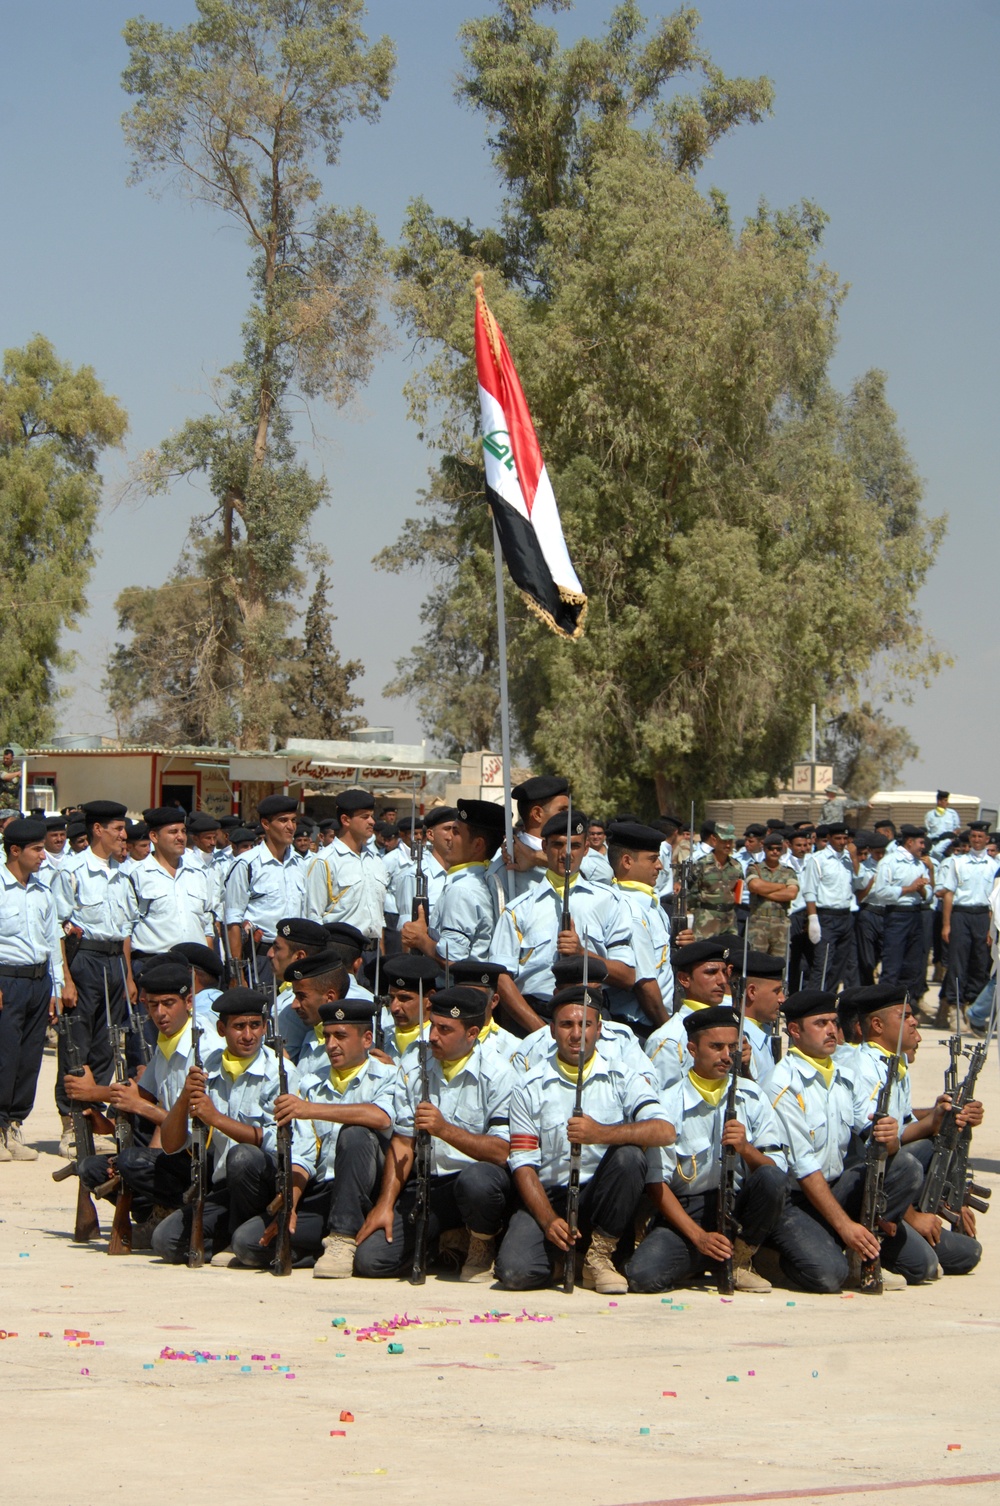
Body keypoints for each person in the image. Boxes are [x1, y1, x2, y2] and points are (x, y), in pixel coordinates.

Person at [496, 984, 675, 1294]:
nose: (577, 1034)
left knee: (630, 1156)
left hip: (601, 1197)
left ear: (599, 1029)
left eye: (585, 1024)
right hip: (551, 1195)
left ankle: (599, 1256)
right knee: (514, 1273)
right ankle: (562, 1262)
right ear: (552, 1030)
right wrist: (549, 1220)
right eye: (567, 1024)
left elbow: (664, 1130)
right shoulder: (529, 1086)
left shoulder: (622, 1077)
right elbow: (523, 1163)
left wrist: (601, 1134)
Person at [765, 989, 922, 1292]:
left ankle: (862, 1250)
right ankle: (775, 1256)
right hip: (795, 1198)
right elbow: (805, 1168)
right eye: (820, 1023)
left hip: (835, 1186)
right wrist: (845, 1226)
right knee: (828, 1276)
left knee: (906, 1167)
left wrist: (889, 1139)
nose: (831, 1031)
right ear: (794, 1031)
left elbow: (867, 1138)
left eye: (833, 1023)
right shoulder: (783, 1085)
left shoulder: (841, 1075)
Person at [355, 987, 515, 1282]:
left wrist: (444, 1130)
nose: (432, 1037)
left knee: (477, 1181)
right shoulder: (415, 1068)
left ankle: (481, 1240)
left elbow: (502, 1151)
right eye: (432, 1026)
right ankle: (443, 1243)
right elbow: (403, 1142)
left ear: (472, 1033)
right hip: (427, 1184)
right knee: (371, 1260)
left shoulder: (500, 1074)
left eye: (445, 1029)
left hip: (473, 1183)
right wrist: (385, 1205)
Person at [627, 1004, 787, 1293]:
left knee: (771, 1179)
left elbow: (777, 1171)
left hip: (738, 1205)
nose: (727, 1056)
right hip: (689, 1211)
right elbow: (656, 1184)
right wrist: (699, 1237)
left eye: (732, 1047)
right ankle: (702, 1254)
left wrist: (746, 1149)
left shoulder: (751, 1095)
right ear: (692, 1048)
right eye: (716, 1047)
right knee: (644, 1277)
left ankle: (739, 1260)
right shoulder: (668, 1103)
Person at [235, 996, 399, 1277]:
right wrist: (291, 1203)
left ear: (367, 1038)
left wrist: (310, 1109)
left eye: (341, 1036)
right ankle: (314, 1248)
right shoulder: (312, 1083)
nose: (331, 1045)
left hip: (366, 1195)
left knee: (356, 1133)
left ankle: (342, 1238)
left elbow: (381, 1117)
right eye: (327, 1036)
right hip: (324, 1192)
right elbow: (304, 1154)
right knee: (247, 1242)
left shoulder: (388, 1076)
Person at [150, 987, 314, 1266]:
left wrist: (216, 1119)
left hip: (267, 1183)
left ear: (265, 1028)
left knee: (243, 1156)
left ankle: (255, 1238)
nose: (248, 1035)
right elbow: (171, 1144)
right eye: (239, 1027)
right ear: (221, 1029)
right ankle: (235, 1237)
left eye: (255, 1026)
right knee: (164, 1241)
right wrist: (183, 1098)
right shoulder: (209, 1068)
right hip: (225, 1184)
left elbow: (277, 1141)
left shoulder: (280, 1073)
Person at [77, 962, 201, 1243]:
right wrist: (108, 1124)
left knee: (132, 1162)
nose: (159, 1013)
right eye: (152, 1005)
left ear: (189, 1001)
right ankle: (156, 1215)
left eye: (168, 1004)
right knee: (92, 1168)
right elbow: (141, 1095)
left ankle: (174, 1212)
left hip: (196, 1160)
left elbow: (191, 1126)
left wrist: (138, 1107)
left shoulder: (200, 1047)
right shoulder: (166, 1043)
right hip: (170, 1154)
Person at [490, 810, 634, 1031]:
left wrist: (582, 953)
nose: (566, 853)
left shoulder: (609, 901)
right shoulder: (519, 909)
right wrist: (542, 1032)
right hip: (535, 1018)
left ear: (586, 849)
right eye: (557, 844)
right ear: (544, 847)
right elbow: (501, 978)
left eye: (575, 846)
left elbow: (627, 976)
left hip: (590, 1017)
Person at [51, 800, 138, 1158]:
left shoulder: (123, 871)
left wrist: (129, 976)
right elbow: (57, 927)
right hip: (84, 959)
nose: (124, 836)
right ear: (98, 830)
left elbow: (126, 930)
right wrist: (65, 980)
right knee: (77, 1039)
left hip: (114, 960)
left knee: (107, 1042)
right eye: (118, 829)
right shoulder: (72, 871)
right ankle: (71, 1119)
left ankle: (95, 1114)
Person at [0, 818, 65, 1161]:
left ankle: (13, 1124)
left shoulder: (42, 890)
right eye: (37, 849)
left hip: (38, 981)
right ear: (15, 851)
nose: (44, 856)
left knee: (29, 1059)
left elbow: (51, 941)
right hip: (6, 980)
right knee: (4, 1055)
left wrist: (57, 985)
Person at [404, 799, 507, 973]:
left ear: (477, 845)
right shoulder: (485, 879)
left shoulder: (462, 890)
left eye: (457, 832)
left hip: (458, 993)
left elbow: (451, 961)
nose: (449, 837)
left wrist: (421, 939)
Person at [224, 794, 305, 983]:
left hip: (294, 958)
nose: (290, 827)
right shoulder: (247, 864)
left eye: (293, 821)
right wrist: (238, 974)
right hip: (260, 958)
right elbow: (232, 922)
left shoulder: (299, 864)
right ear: (266, 824)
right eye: (283, 821)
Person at [128, 807, 216, 977]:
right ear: (154, 836)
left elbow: (207, 925)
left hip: (194, 967)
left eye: (183, 831)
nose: (180, 837)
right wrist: (128, 978)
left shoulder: (198, 873)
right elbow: (127, 928)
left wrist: (208, 968)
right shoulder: (137, 874)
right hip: (154, 965)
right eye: (173, 832)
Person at [606, 820, 673, 1039]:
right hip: (643, 1027)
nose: (659, 866)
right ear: (627, 861)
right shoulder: (630, 910)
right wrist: (669, 1031)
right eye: (652, 859)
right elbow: (645, 984)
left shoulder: (649, 903)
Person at [644, 937, 731, 1092]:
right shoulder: (669, 1039)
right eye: (711, 972)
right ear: (684, 979)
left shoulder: (732, 1028)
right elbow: (662, 1100)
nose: (722, 980)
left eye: (724, 972)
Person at [305, 788, 387, 940]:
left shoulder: (375, 860)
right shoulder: (325, 861)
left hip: (372, 951)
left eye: (372, 816)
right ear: (345, 820)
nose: (372, 822)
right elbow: (313, 916)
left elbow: (378, 914)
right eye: (365, 817)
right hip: (340, 949)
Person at [936, 820, 998, 1020]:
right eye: (974, 837)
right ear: (969, 839)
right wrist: (946, 924)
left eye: (981, 837)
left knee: (980, 961)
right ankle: (955, 1004)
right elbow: (948, 894)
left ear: (987, 839)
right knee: (957, 961)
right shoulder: (958, 862)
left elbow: (995, 899)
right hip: (961, 915)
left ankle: (973, 1001)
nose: (977, 840)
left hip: (983, 916)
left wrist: (992, 928)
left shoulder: (994, 865)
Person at [866, 825, 930, 996]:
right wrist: (908, 889)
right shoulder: (889, 861)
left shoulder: (919, 864)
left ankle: (905, 1004)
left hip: (915, 914)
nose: (923, 847)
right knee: (892, 964)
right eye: (921, 843)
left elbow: (928, 894)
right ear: (910, 842)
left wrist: (921, 889)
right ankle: (884, 1002)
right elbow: (881, 892)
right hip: (897, 915)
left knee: (912, 965)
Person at [486, 774, 570, 900]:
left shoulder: (575, 849)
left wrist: (536, 857)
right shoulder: (507, 868)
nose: (569, 817)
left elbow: (602, 874)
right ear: (537, 814)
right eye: (562, 811)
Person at [798, 823, 862, 989]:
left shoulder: (848, 860)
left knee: (839, 966)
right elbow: (809, 891)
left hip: (845, 916)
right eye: (838, 838)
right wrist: (813, 919)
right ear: (830, 839)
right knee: (822, 964)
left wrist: (855, 859)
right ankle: (815, 1002)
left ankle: (830, 1001)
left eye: (845, 838)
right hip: (826, 917)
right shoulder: (818, 859)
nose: (842, 842)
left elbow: (860, 884)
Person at [394, 807, 457, 935]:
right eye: (447, 829)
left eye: (457, 830)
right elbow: (408, 931)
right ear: (430, 835)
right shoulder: (414, 876)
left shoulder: (464, 874)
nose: (452, 836)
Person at [368, 952, 439, 1064]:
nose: (394, 1007)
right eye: (391, 998)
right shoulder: (384, 1037)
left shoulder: (439, 1043)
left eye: (404, 998)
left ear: (429, 998)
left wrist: (392, 1073)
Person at [688, 822, 742, 938]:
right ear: (714, 840)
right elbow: (692, 893)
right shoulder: (701, 865)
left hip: (729, 920)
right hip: (706, 920)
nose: (728, 845)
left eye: (730, 842)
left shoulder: (736, 866)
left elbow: (737, 892)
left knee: (730, 952)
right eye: (724, 841)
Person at [746, 833, 798, 954]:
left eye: (778, 849)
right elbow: (755, 886)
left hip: (781, 923)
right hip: (758, 922)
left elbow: (791, 894)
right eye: (771, 848)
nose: (775, 852)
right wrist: (782, 887)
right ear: (764, 849)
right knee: (756, 961)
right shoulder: (754, 868)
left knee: (779, 964)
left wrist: (764, 892)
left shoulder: (788, 872)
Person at [742, 952, 786, 1084]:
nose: (782, 999)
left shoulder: (764, 1031)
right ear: (752, 992)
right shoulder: (738, 1038)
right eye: (776, 991)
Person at [925, 791, 960, 857]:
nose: (947, 803)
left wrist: (953, 836)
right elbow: (928, 830)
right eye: (945, 800)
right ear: (939, 801)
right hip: (935, 842)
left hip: (948, 843)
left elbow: (957, 828)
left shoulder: (952, 813)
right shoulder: (930, 815)